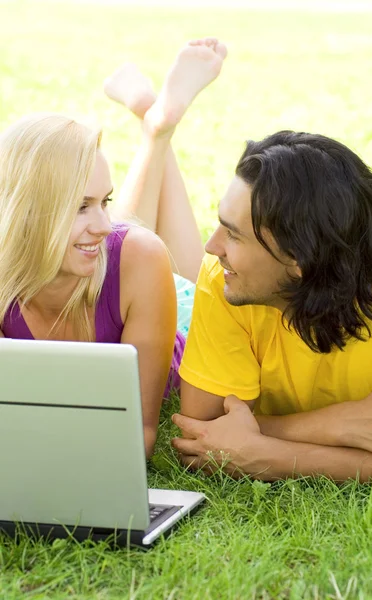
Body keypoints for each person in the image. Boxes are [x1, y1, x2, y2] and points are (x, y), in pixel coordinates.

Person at [0, 38, 227, 459]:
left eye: (103, 200)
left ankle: (158, 126)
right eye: (80, 205)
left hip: (174, 309)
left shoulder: (139, 254)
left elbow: (137, 435)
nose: (105, 223)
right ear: (26, 212)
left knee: (156, 256)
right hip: (115, 282)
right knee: (113, 239)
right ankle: (155, 122)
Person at [165, 132, 372, 486]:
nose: (212, 247)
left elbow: (228, 439)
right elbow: (204, 435)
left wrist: (273, 456)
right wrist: (353, 423)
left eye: (234, 235)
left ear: (298, 258)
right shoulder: (226, 280)